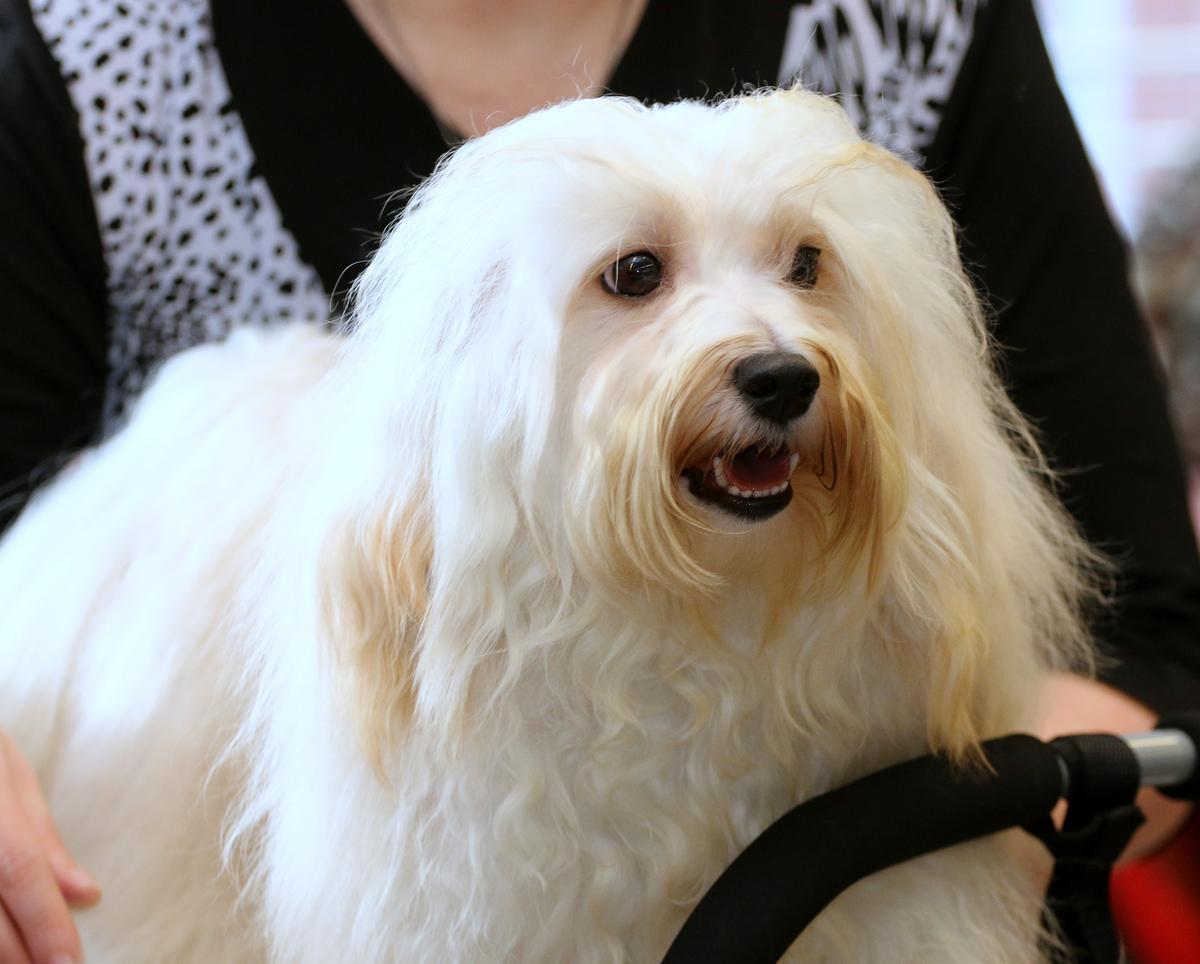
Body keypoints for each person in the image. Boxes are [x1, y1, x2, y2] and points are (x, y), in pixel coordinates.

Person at [0, 0, 1196, 961]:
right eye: (635, 276)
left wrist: (881, 843)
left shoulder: (919, 24)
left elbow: (1156, 646)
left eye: (804, 265)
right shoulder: (91, 47)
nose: (771, 347)